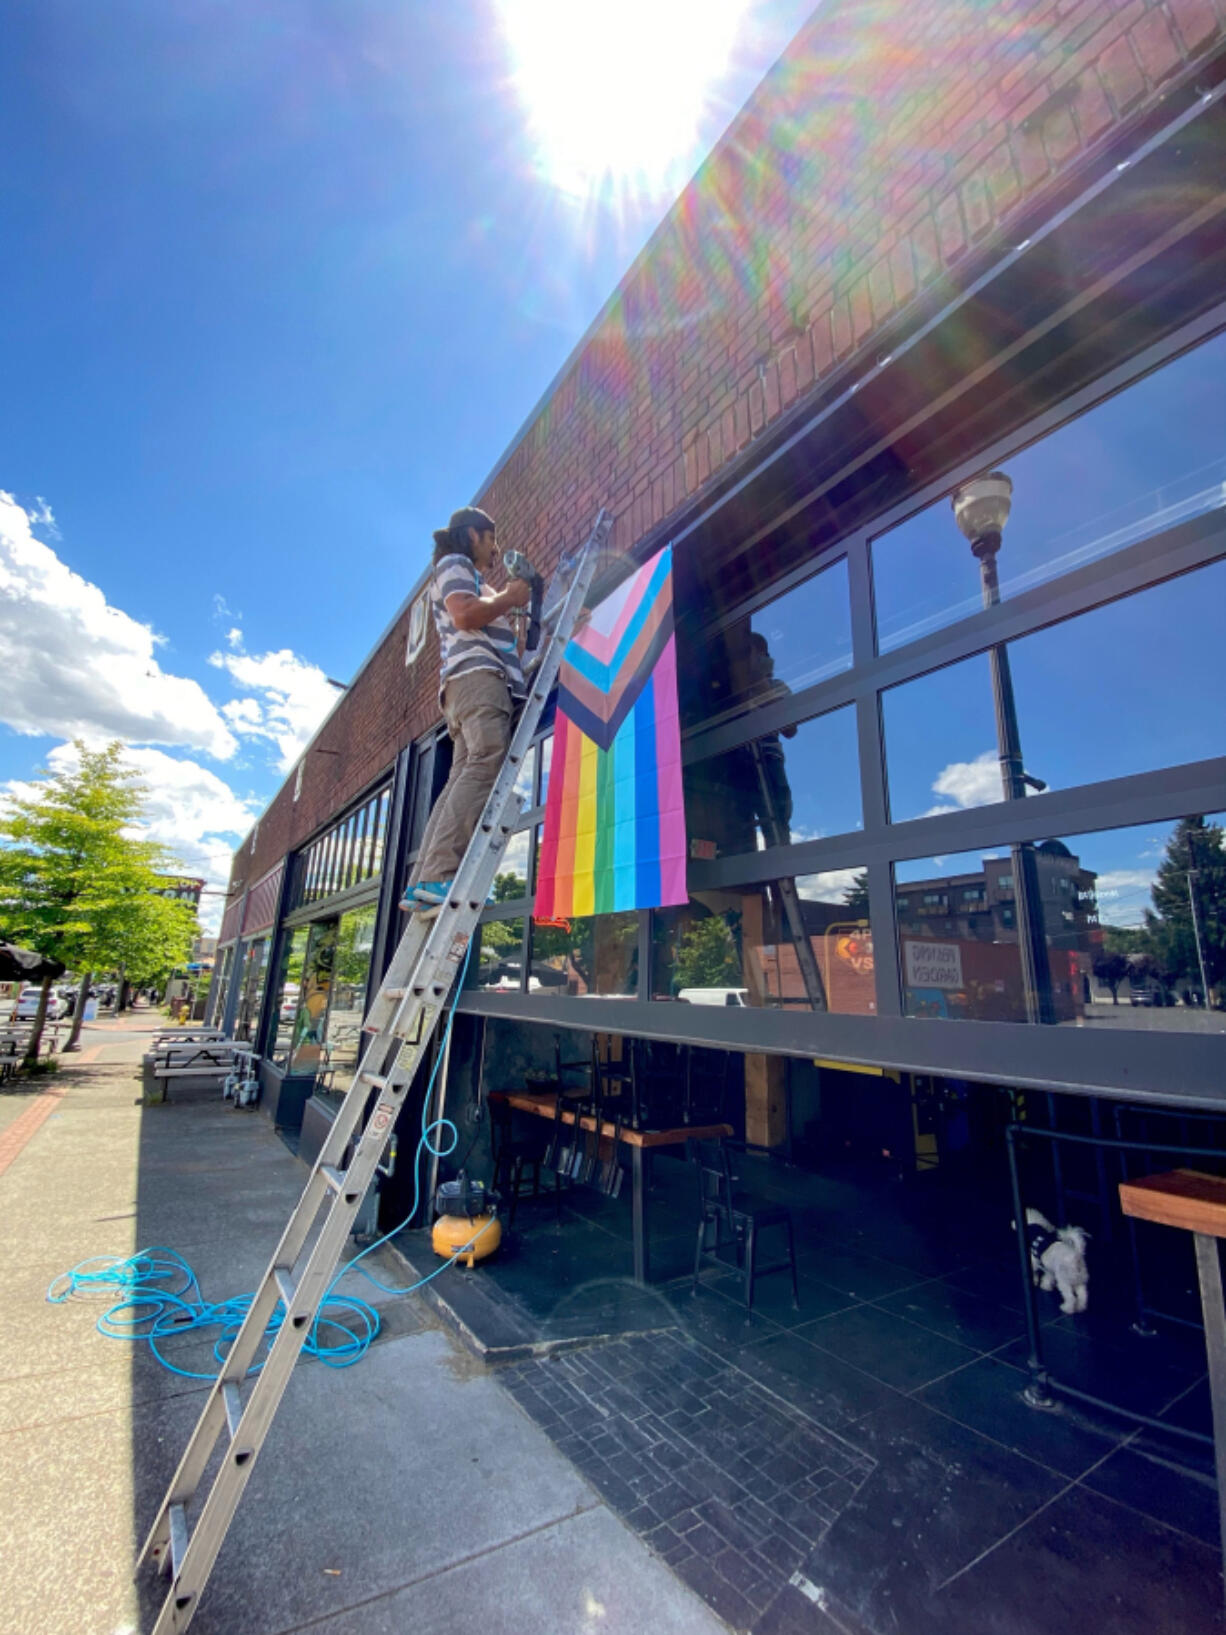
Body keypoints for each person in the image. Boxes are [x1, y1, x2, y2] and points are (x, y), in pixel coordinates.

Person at [405, 506, 532, 909]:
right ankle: (440, 875)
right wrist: (511, 596)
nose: (495, 548)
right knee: (485, 764)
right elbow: (464, 614)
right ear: (474, 535)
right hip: (478, 683)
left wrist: (514, 603)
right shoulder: (456, 564)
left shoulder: (473, 579)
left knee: (463, 775)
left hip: (465, 688)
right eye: (491, 538)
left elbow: (501, 634)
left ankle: (424, 880)